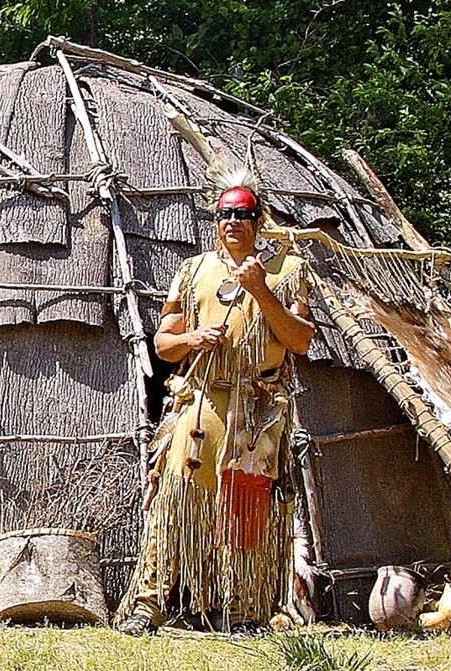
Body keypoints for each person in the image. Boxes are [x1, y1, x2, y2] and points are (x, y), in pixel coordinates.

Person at [119, 184, 315, 634]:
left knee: (247, 504)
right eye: (225, 214)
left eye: (243, 214)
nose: (233, 222)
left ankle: (244, 607)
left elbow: (300, 341)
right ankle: (151, 601)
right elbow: (163, 344)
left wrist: (260, 290)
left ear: (259, 222)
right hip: (204, 397)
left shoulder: (288, 271)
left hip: (258, 408)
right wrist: (193, 339)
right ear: (214, 223)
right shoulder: (194, 271)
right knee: (175, 498)